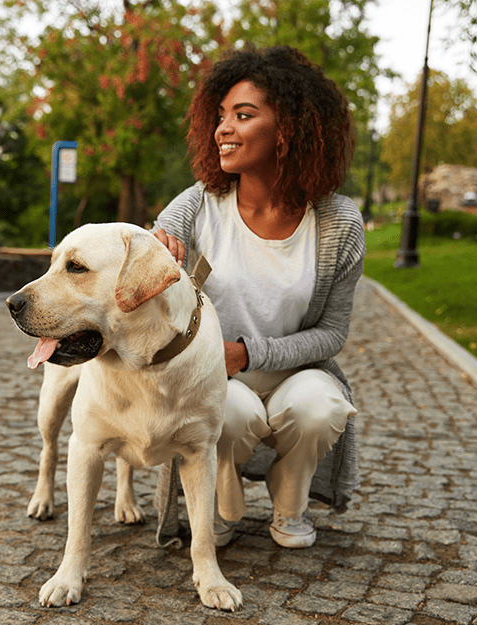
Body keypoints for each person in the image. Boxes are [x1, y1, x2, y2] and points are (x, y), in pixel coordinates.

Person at [152, 45, 365, 549]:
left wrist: (249, 353)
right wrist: (160, 247)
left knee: (321, 407)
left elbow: (333, 333)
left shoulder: (338, 223)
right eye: (221, 116)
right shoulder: (198, 204)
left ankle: (290, 508)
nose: (222, 128)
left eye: (243, 116)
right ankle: (220, 509)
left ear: (289, 130)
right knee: (227, 414)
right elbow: (155, 245)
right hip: (213, 375)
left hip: (295, 374)